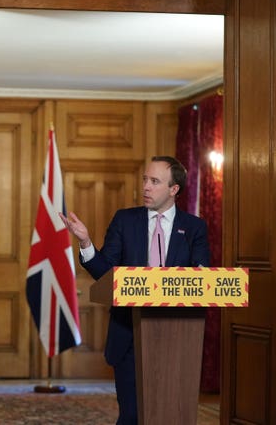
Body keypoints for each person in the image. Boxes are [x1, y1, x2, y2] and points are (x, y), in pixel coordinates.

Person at [61, 156, 210, 425]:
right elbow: (106, 273)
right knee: (131, 415)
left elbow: (200, 277)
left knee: (171, 415)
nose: (146, 187)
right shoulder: (125, 220)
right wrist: (85, 241)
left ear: (174, 189)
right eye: (145, 179)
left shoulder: (194, 228)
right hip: (129, 333)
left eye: (155, 181)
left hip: (178, 339)